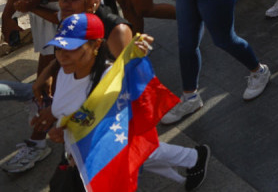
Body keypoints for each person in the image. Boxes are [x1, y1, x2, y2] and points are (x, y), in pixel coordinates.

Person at [42, 14, 211, 189]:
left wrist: (136, 61)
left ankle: (194, 159)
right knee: (139, 151)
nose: (62, 56)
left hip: (100, 158)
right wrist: (64, 131)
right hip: (80, 157)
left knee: (137, 148)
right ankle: (193, 159)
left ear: (96, 45)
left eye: (72, 49)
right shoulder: (65, 73)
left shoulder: (110, 83)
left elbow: (118, 130)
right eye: (59, 48)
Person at [0, 0, 95, 175]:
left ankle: (37, 143)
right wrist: (7, 17)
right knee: (47, 84)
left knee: (45, 84)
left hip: (65, 22)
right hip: (45, 19)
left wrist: (37, 6)